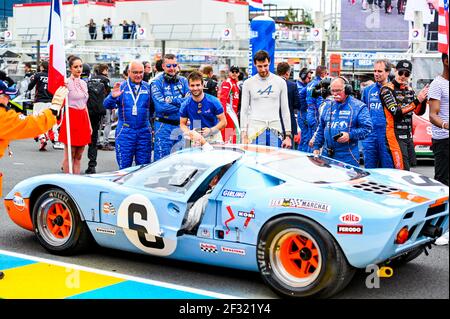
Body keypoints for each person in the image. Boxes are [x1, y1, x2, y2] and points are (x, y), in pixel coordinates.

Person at [1, 81, 68, 188]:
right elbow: (29, 125)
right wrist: (54, 109)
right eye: (6, 95)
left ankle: (43, 138)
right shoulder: (2, 116)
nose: (8, 99)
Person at [379, 60, 429, 170]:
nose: (403, 76)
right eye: (401, 72)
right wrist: (417, 101)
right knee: (401, 169)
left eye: (406, 74)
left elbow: (418, 112)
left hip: (408, 135)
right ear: (395, 71)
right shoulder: (386, 89)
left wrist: (423, 99)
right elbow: (396, 112)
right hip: (394, 135)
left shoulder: (409, 90)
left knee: (408, 169)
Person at [313, 77, 372, 166]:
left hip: (347, 157)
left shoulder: (358, 107)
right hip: (326, 155)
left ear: (347, 90)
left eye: (338, 90)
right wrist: (316, 147)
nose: (335, 94)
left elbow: (367, 129)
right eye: (333, 91)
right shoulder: (327, 106)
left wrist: (350, 135)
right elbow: (321, 128)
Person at [104, 60, 152, 169]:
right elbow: (106, 105)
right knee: (124, 168)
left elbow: (155, 109)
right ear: (129, 72)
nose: (139, 75)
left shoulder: (148, 88)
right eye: (135, 72)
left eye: (141, 72)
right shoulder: (121, 87)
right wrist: (112, 97)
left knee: (144, 168)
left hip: (144, 132)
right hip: (125, 132)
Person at [240, 50, 292, 148]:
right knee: (254, 162)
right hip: (255, 131)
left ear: (270, 63)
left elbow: (285, 110)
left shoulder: (280, 82)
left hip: (275, 130)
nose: (263, 69)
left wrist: (288, 135)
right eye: (260, 66)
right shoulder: (248, 83)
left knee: (274, 162)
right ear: (255, 64)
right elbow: (244, 110)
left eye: (265, 65)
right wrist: (243, 133)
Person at [151, 54, 189, 161]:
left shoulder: (184, 81)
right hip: (163, 127)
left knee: (180, 163)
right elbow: (161, 108)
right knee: (161, 163)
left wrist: (172, 101)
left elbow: (190, 103)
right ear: (163, 66)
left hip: (181, 127)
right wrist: (182, 103)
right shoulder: (156, 82)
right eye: (168, 66)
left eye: (174, 65)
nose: (172, 68)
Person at [58, 56, 92, 174]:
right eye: (75, 67)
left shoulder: (84, 83)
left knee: (79, 156)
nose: (79, 69)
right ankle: (68, 180)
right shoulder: (66, 83)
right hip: (71, 118)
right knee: (70, 154)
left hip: (83, 118)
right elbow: (59, 101)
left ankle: (76, 180)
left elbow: (85, 104)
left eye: (80, 66)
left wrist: (89, 124)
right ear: (70, 68)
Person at [428, 53, 449, 246]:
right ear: (446, 60)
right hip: (444, 140)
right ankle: (439, 228)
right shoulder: (438, 84)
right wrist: (446, 125)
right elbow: (432, 115)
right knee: (443, 184)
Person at [180, 71, 227, 146]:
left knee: (215, 158)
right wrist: (190, 133)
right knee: (193, 157)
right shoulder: (185, 104)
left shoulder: (214, 101)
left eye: (198, 85)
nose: (195, 88)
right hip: (196, 138)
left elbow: (224, 122)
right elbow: (182, 124)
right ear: (188, 86)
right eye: (192, 85)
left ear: (202, 85)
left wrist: (211, 130)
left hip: (213, 136)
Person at [361, 59, 393, 168]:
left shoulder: (394, 89)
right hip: (370, 135)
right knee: (370, 168)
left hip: (387, 135)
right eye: (375, 71)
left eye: (380, 71)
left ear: (388, 72)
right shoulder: (367, 90)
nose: (376, 74)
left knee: (388, 169)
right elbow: (362, 113)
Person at [28, 60, 59, 151]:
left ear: (42, 67)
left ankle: (42, 137)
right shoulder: (53, 76)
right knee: (47, 121)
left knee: (37, 120)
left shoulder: (38, 75)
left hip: (39, 101)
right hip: (50, 101)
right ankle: (51, 137)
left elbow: (30, 87)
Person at [83, 64, 107, 174]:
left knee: (77, 141)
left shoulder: (83, 83)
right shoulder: (102, 82)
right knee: (93, 140)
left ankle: (73, 162)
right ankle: (92, 164)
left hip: (83, 113)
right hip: (96, 113)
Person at [277, 62, 300, 149]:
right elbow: (297, 104)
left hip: (274, 122)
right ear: (287, 73)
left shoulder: (271, 85)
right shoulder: (292, 86)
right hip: (289, 123)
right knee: (288, 152)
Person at [306, 65, 328, 148]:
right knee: (315, 142)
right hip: (316, 115)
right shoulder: (320, 85)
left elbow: (301, 95)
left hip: (309, 113)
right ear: (323, 74)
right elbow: (320, 104)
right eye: (327, 74)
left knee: (308, 141)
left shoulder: (309, 84)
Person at [219, 65, 241, 143]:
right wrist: (223, 113)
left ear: (239, 73)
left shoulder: (235, 84)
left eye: (236, 72)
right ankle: (230, 150)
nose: (234, 73)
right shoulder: (228, 83)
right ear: (229, 73)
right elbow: (223, 99)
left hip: (233, 112)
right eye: (232, 71)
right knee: (234, 134)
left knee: (232, 135)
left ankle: (230, 149)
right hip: (228, 112)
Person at [296, 67, 313, 152]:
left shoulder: (305, 86)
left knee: (305, 137)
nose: (310, 80)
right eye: (309, 78)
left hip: (305, 113)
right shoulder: (299, 87)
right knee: (306, 137)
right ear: (303, 76)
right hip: (302, 113)